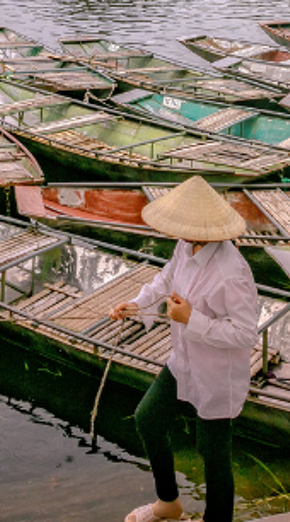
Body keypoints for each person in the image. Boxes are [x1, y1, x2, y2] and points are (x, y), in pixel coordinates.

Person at [109, 176, 258, 522]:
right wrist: (136, 303)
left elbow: (245, 333)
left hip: (218, 374)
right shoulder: (186, 245)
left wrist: (192, 319)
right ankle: (168, 503)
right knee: (148, 418)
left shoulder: (231, 272)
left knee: (212, 452)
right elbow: (166, 279)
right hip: (185, 361)